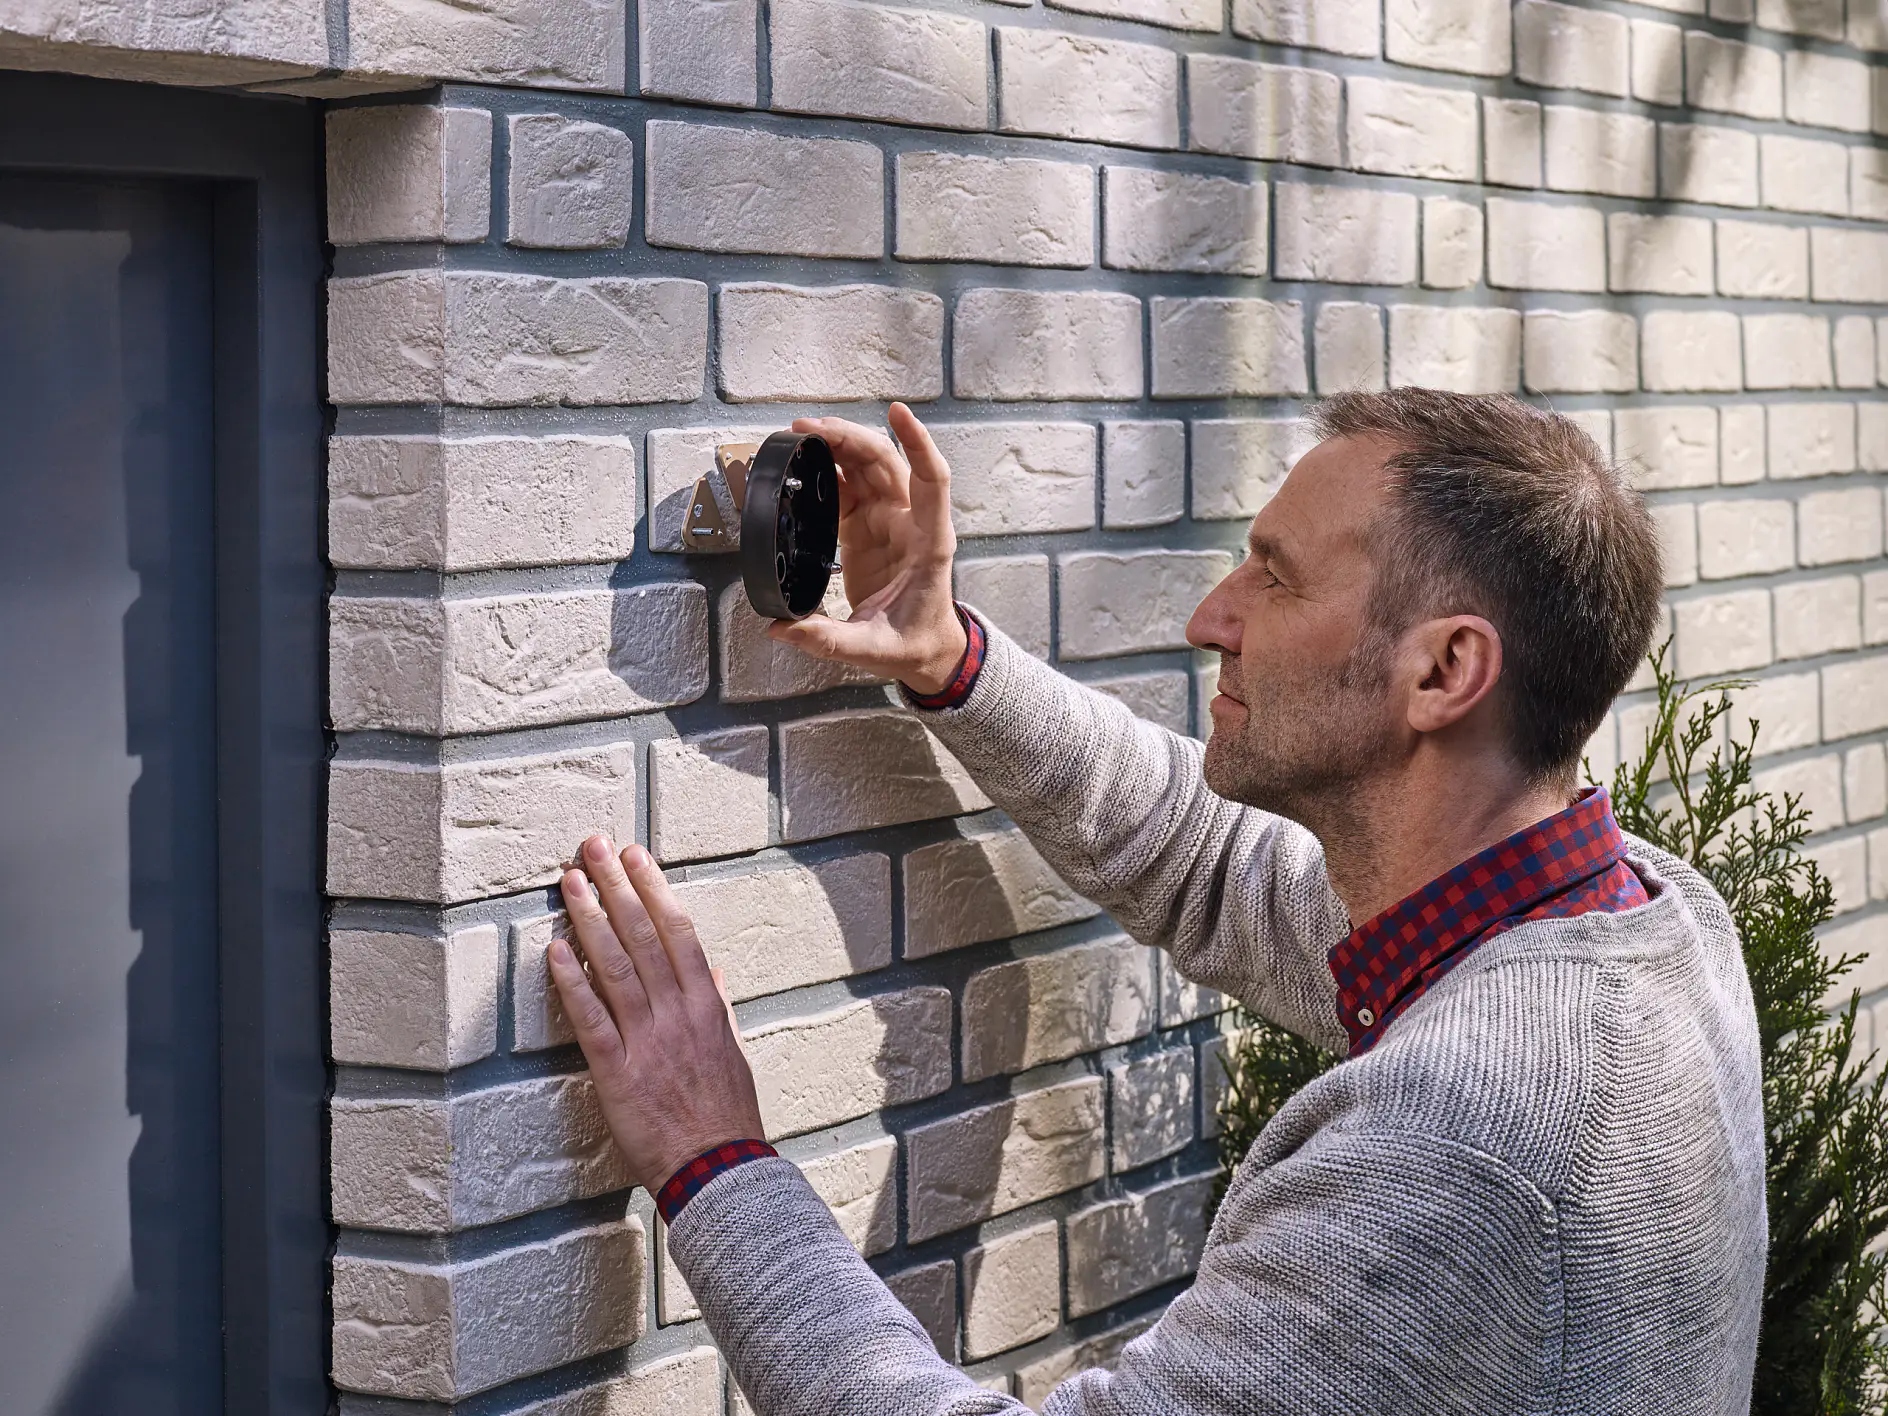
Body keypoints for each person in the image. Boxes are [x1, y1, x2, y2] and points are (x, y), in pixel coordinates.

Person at [546, 389, 1766, 1416]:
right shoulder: (1645, 925)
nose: (1209, 619)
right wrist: (949, 660)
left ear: (1444, 671)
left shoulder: (1463, 1148)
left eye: (1274, 582)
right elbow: (1207, 862)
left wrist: (714, 1162)